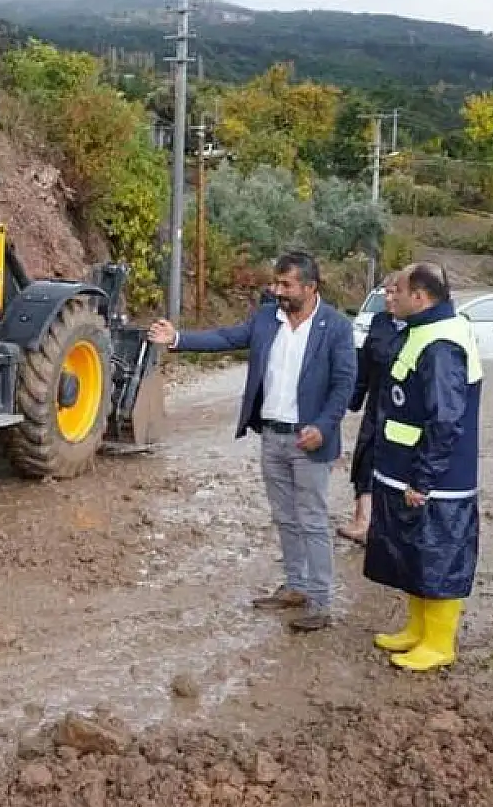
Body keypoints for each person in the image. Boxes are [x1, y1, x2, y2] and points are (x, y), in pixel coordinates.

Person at [148, 251, 358, 632]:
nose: (277, 291)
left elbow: (344, 385)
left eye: (285, 285)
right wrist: (177, 338)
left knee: (312, 520)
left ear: (310, 288)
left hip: (310, 440)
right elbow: (227, 337)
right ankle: (295, 587)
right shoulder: (267, 318)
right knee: (285, 517)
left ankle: (321, 602)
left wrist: (325, 427)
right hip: (273, 438)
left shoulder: (337, 327)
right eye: (275, 283)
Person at [364, 262, 483, 673]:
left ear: (420, 297)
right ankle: (417, 629)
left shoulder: (442, 344)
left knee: (440, 556)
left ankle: (439, 642)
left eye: (395, 291)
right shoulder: (422, 331)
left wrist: (424, 478)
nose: (388, 297)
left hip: (435, 481)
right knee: (414, 553)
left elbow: (446, 419)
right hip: (403, 468)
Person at [342, 271, 407, 544]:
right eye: (386, 294)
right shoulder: (380, 323)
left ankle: (391, 526)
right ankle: (363, 522)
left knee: (399, 468)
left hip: (404, 412)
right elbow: (364, 365)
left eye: (395, 293)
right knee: (366, 461)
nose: (389, 299)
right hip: (376, 405)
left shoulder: (422, 329)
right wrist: (351, 401)